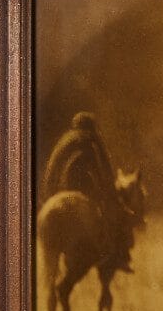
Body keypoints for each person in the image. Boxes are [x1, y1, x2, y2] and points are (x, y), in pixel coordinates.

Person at [42, 112, 133, 272]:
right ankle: (117, 257)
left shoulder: (64, 142)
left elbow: (51, 172)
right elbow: (105, 171)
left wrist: (49, 197)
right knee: (114, 218)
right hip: (87, 191)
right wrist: (113, 199)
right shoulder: (93, 141)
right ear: (93, 127)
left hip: (57, 193)